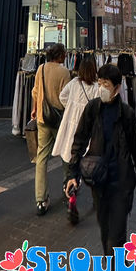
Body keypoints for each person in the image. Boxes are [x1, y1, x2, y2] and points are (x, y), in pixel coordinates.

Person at [66, 64, 136, 271]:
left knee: (116, 236)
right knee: (106, 234)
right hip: (99, 181)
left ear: (117, 88)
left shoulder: (126, 113)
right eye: (99, 83)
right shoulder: (93, 109)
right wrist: (72, 174)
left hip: (122, 182)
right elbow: (79, 140)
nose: (101, 87)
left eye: (106, 84)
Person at [52, 55, 99, 221]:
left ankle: (70, 193)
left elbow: (62, 97)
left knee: (69, 163)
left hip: (70, 127)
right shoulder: (96, 87)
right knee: (89, 164)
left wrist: (71, 107)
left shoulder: (74, 84)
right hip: (87, 130)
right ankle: (95, 197)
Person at [30, 43, 70, 216]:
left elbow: (35, 92)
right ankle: (68, 185)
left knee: (41, 158)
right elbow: (66, 97)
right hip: (60, 119)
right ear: (59, 55)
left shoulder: (40, 69)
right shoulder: (65, 72)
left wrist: (34, 109)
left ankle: (41, 199)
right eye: (64, 54)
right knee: (65, 153)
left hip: (42, 118)